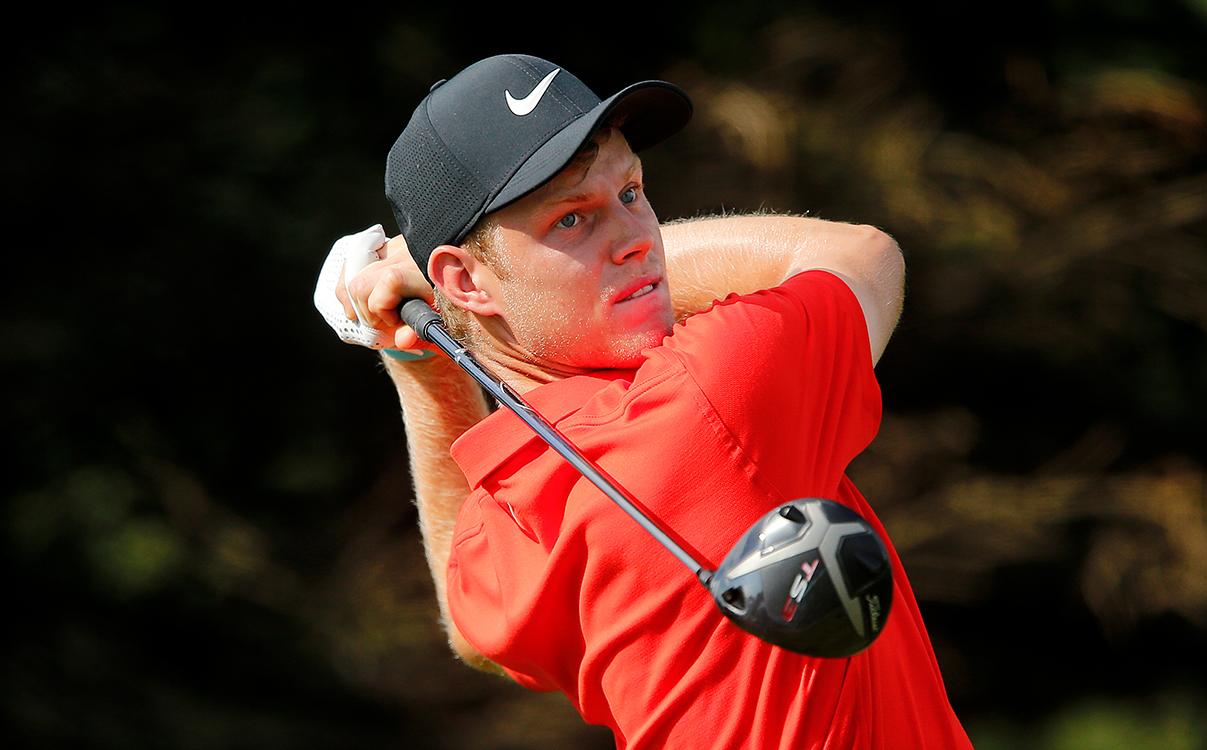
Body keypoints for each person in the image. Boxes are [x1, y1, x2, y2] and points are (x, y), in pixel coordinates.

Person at [316, 54, 972, 749]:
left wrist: (419, 356)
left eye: (631, 191)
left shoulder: (506, 513)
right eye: (572, 219)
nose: (636, 240)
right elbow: (861, 255)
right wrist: (430, 283)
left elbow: (469, 625)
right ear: (467, 282)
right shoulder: (709, 391)